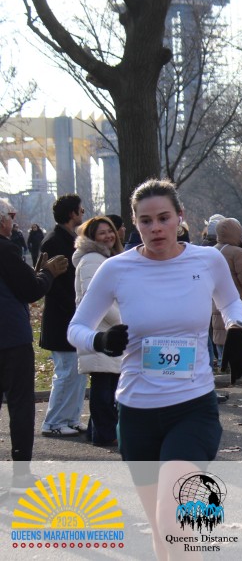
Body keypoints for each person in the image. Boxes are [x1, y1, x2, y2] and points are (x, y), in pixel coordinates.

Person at [67, 179, 242, 560]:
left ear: (180, 217)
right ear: (134, 223)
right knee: (160, 529)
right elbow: (76, 327)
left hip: (192, 408)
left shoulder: (207, 260)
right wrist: (100, 341)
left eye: (164, 218)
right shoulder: (116, 269)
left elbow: (231, 302)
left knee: (174, 522)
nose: (156, 228)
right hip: (137, 412)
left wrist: (236, 329)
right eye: (145, 221)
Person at [1, 199, 67, 491]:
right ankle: (20, 474)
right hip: (10, 339)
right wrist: (47, 273)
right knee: (20, 405)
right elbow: (30, 290)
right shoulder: (6, 249)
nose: (14, 221)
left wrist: (35, 272)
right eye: (11, 215)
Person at [72, 216, 124, 446]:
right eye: (102, 233)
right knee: (104, 387)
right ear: (92, 237)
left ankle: (98, 432)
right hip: (102, 331)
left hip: (108, 331)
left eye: (110, 231)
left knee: (108, 385)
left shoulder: (106, 258)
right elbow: (95, 299)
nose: (108, 236)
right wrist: (123, 321)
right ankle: (104, 433)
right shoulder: (93, 260)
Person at [39, 193, 87, 437]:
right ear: (72, 213)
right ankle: (54, 422)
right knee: (67, 372)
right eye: (81, 210)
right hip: (62, 318)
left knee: (78, 372)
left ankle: (71, 418)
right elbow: (56, 286)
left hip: (71, 315)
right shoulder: (54, 241)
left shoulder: (69, 239)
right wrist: (75, 308)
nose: (83, 213)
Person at [211, 218, 242, 360]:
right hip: (238, 298)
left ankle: (221, 361)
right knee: (238, 331)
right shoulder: (237, 252)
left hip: (217, 299)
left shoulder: (212, 251)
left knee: (220, 331)